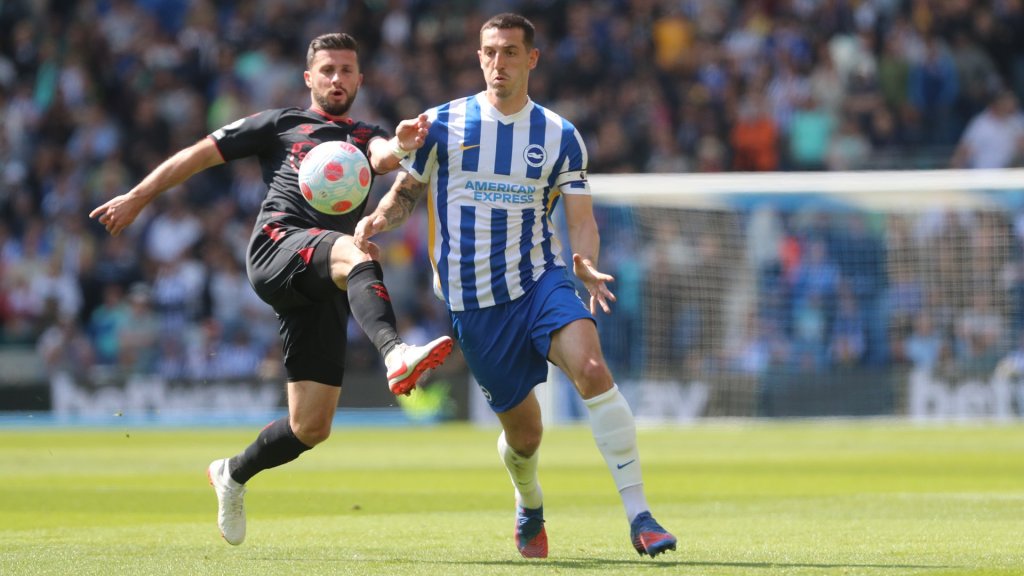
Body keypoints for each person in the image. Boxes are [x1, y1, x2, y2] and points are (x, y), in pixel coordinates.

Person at [89, 33, 453, 546]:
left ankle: (231, 473)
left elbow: (382, 155)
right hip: (278, 248)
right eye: (327, 70)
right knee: (358, 252)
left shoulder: (365, 135)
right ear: (309, 78)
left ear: (360, 79)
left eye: (346, 70)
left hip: (324, 277)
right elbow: (198, 155)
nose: (337, 79)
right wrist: (138, 196)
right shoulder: (281, 124)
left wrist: (402, 143)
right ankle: (395, 354)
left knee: (311, 427)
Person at [354, 13, 676, 559]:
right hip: (474, 303)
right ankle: (529, 502)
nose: (497, 62)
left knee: (592, 368)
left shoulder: (560, 136)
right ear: (478, 57)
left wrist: (585, 262)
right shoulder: (443, 124)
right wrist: (376, 220)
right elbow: (405, 191)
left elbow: (581, 220)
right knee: (526, 437)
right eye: (489, 52)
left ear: (532, 58)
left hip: (540, 279)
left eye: (509, 51)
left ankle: (641, 516)